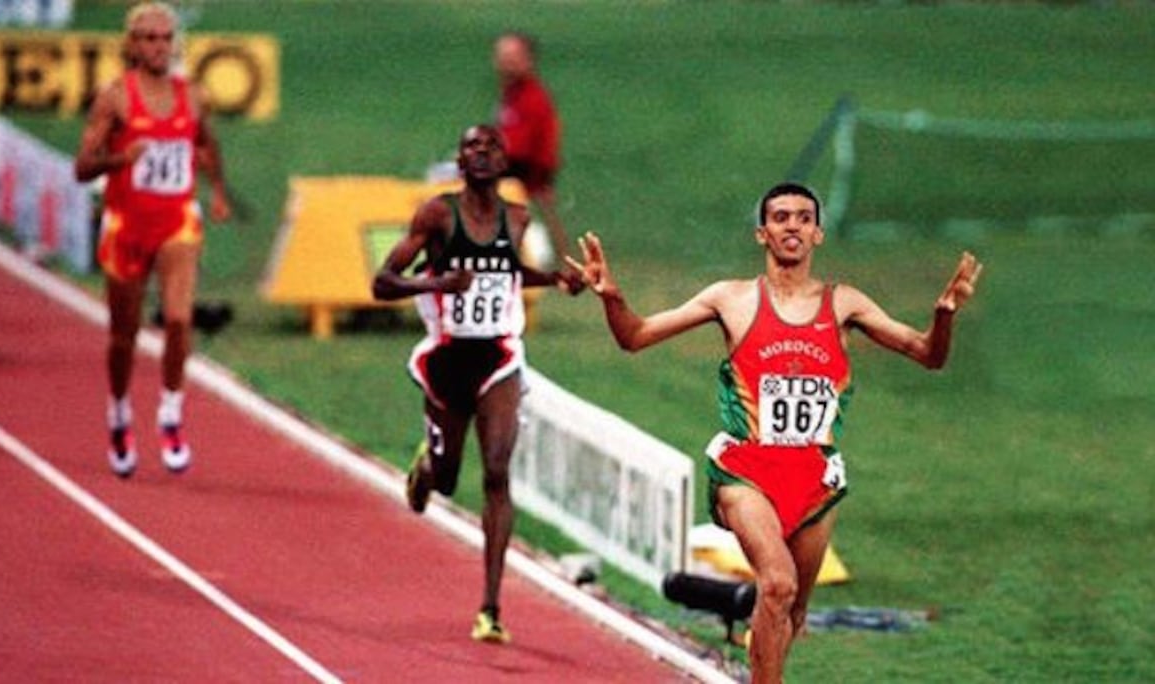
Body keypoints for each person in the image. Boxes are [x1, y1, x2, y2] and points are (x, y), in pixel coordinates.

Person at [566, 182, 982, 682]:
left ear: (818, 234)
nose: (792, 225)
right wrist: (612, 295)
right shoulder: (731, 299)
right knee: (778, 586)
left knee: (792, 616)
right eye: (781, 217)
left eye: (803, 218)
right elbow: (634, 337)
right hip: (746, 470)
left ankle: (762, 654)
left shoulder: (843, 304)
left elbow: (927, 355)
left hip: (814, 480)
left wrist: (944, 315)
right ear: (763, 233)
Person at [372, 124, 584, 644]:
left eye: (491, 146)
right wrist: (435, 282)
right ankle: (427, 465)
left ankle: (490, 608)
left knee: (495, 471)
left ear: (504, 161)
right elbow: (382, 282)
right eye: (471, 147)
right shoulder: (437, 215)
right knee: (447, 481)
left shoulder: (516, 216)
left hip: (498, 357)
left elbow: (509, 273)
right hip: (448, 357)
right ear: (461, 163)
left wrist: (558, 280)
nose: (482, 153)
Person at [74, 1, 231, 478]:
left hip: (177, 221)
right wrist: (121, 161)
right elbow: (82, 168)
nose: (159, 46)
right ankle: (119, 412)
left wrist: (218, 190)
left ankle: (170, 412)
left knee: (179, 320)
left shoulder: (194, 95)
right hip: (126, 224)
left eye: (165, 37)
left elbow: (206, 142)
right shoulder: (116, 98)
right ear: (132, 44)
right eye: (148, 38)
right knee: (124, 336)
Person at [493, 31, 570, 263]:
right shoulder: (511, 94)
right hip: (518, 173)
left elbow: (519, 148)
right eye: (502, 56)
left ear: (528, 60)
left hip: (526, 175)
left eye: (512, 57)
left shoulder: (532, 97)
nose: (505, 63)